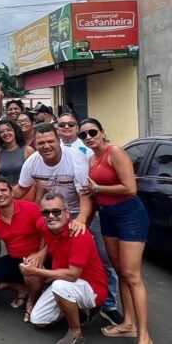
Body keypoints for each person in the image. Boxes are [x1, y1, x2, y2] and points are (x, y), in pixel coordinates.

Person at [14, 123, 121, 323]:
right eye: (41, 142)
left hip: (82, 211)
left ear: (59, 140)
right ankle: (64, 299)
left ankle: (108, 305)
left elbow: (86, 195)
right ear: (35, 144)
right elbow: (20, 189)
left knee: (103, 259)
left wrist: (81, 220)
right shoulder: (32, 162)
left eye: (50, 141)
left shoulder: (75, 159)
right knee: (56, 256)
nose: (46, 146)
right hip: (54, 214)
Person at [79, 118, 151, 342]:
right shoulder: (91, 159)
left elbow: (130, 188)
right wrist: (84, 221)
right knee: (120, 271)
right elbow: (92, 195)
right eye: (84, 135)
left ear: (102, 132)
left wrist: (98, 187)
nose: (89, 137)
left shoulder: (115, 152)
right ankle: (128, 323)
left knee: (132, 275)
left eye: (92, 132)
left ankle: (144, 335)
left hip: (129, 214)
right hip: (107, 215)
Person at [20, 193, 108, 344]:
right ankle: (78, 310)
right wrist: (39, 254)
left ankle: (76, 333)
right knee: (38, 320)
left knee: (59, 286)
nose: (51, 216)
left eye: (56, 211)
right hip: (65, 282)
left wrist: (35, 271)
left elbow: (72, 275)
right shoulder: (44, 226)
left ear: (67, 213)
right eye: (46, 212)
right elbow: (51, 241)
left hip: (92, 287)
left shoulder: (79, 235)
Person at [0, 178, 43, 316]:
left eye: (3, 190)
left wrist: (40, 255)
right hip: (14, 258)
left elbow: (48, 236)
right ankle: (21, 288)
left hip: (37, 257)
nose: (0, 194)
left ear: (12, 192)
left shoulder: (31, 208)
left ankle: (31, 301)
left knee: (30, 269)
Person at [0, 118, 35, 190]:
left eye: (9, 130)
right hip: (5, 194)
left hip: (25, 193)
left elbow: (35, 177)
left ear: (15, 131)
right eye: (2, 132)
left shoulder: (28, 150)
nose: (5, 133)